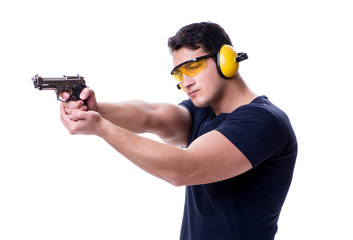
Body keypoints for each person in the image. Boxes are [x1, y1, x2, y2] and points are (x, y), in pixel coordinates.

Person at [60, 22, 297, 240]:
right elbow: (151, 115)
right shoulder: (203, 111)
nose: (185, 82)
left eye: (193, 67)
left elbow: (184, 168)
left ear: (227, 59)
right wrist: (98, 109)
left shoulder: (264, 121)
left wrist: (101, 127)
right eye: (178, 74)